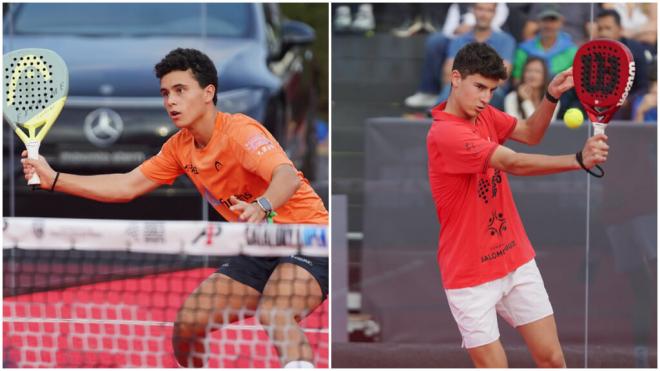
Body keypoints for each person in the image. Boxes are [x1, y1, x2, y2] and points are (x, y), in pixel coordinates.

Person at [20, 48, 329, 368]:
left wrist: (262, 206)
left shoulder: (240, 132)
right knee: (187, 326)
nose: (170, 101)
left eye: (181, 91)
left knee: (275, 313)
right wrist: (54, 179)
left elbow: (286, 176)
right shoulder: (179, 148)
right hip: (258, 247)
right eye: (166, 93)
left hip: (307, 237)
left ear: (209, 93)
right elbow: (126, 186)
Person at [426, 42, 609, 368]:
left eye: (492, 90)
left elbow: (529, 133)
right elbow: (514, 162)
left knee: (553, 359)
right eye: (479, 87)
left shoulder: (484, 114)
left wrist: (550, 97)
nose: (485, 97)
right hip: (469, 277)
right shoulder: (445, 134)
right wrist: (578, 159)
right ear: (455, 78)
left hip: (515, 259)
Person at [405, 3, 515, 109]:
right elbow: (448, 74)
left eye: (489, 10)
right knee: (451, 88)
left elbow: (502, 77)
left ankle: (439, 116)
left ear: (495, 13)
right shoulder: (460, 39)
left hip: (491, 91)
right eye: (480, 9)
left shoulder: (506, 40)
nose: (484, 14)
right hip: (462, 88)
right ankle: (438, 118)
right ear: (473, 11)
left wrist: (472, 81)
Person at [595, 8, 650, 120]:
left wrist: (628, 100)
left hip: (627, 104)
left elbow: (644, 86)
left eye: (608, 28)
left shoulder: (635, 51)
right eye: (600, 29)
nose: (603, 33)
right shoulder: (591, 52)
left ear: (620, 29)